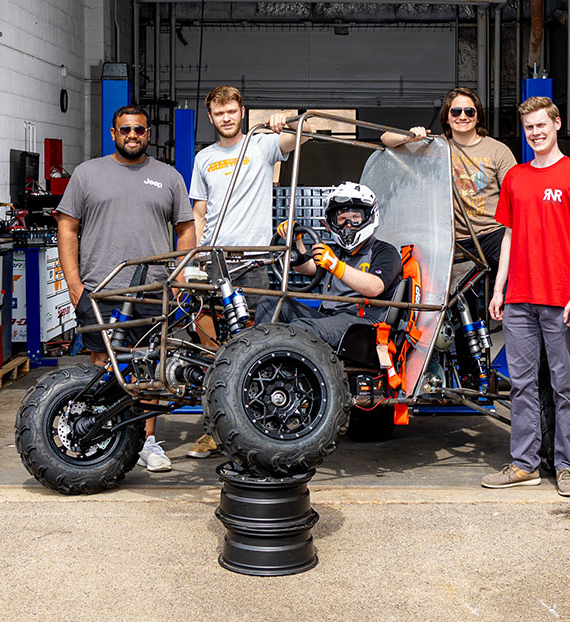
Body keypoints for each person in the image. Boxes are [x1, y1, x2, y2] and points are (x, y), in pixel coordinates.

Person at [57, 105, 196, 473]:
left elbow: (185, 230)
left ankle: (145, 442)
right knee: (104, 366)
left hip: (153, 289)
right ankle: (106, 439)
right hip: (100, 288)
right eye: (125, 130)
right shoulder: (87, 174)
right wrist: (74, 285)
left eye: (139, 130)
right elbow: (67, 228)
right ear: (113, 133)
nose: (132, 135)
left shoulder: (168, 177)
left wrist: (180, 278)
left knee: (148, 366)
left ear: (148, 133)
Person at [482, 96, 570, 498]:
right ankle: (524, 465)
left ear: (556, 124)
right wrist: (499, 289)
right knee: (521, 384)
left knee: (564, 385)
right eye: (529, 127)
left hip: (559, 299)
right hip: (519, 299)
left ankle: (567, 466)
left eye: (541, 125)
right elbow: (510, 239)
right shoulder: (516, 178)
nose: (535, 133)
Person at [184, 85, 310, 458]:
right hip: (213, 262)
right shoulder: (204, 158)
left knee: (254, 348)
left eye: (232, 111)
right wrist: (194, 258)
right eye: (219, 113)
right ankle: (215, 430)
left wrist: (284, 119)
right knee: (209, 348)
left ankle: (255, 426)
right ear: (211, 118)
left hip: (253, 263)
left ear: (242, 113)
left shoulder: (263, 145)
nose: (226, 118)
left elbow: (307, 131)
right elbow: (199, 213)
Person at [380, 87, 517, 281]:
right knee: (442, 290)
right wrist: (410, 136)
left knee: (515, 272)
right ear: (447, 117)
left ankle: (507, 310)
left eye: (470, 111)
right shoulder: (435, 146)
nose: (463, 116)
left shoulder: (497, 150)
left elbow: (516, 194)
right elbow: (385, 139)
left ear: (478, 117)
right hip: (451, 239)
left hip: (492, 233)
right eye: (456, 111)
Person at [254, 181, 401, 349]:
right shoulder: (338, 253)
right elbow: (307, 269)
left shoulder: (384, 251)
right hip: (330, 317)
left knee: (300, 329)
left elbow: (375, 287)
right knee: (269, 303)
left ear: (369, 216)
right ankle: (259, 358)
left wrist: (335, 265)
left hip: (363, 324)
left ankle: (287, 370)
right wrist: (297, 240)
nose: (348, 225)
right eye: (342, 219)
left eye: (355, 218)